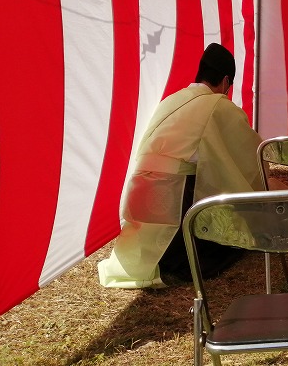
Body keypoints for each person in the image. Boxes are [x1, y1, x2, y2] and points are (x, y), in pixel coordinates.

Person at [98, 43, 264, 288]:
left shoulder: (172, 100)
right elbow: (250, 155)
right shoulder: (218, 105)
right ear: (226, 81)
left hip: (137, 195)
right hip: (172, 197)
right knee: (230, 240)